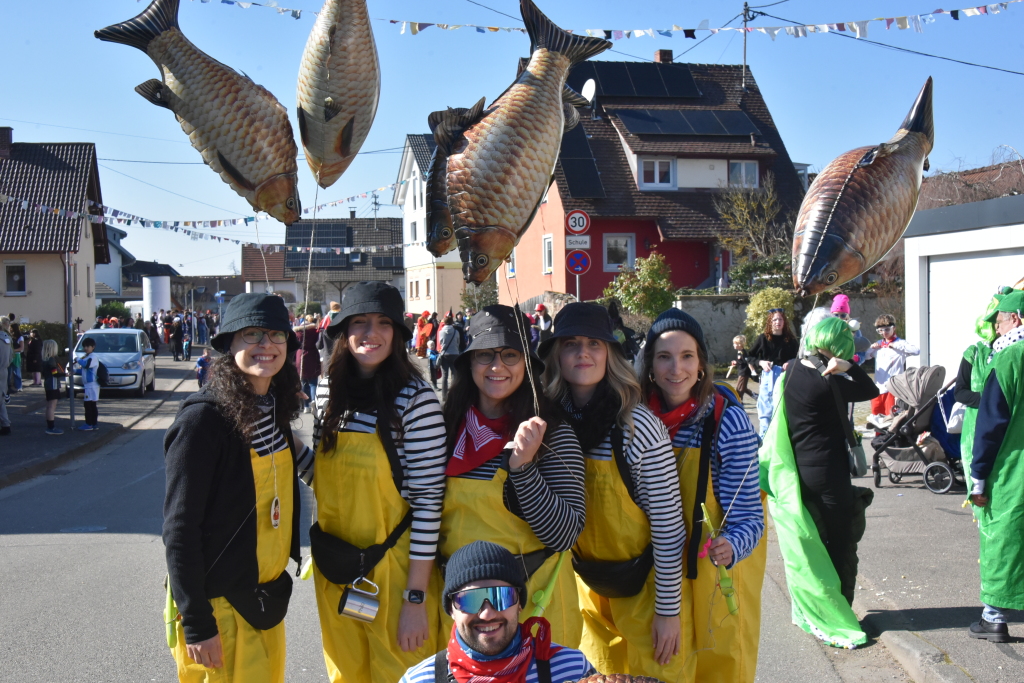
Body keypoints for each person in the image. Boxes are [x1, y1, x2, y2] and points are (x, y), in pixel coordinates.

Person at [163, 293, 309, 682]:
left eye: (276, 335)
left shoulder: (274, 410)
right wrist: (197, 623)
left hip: (263, 602)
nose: (266, 345)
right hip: (218, 611)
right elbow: (179, 531)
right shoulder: (203, 423)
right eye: (252, 334)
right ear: (229, 344)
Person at [539, 303, 686, 680]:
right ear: (557, 354)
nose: (583, 352)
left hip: (645, 593)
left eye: (594, 343)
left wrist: (669, 612)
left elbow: (669, 527)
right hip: (584, 590)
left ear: (611, 354)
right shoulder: (546, 423)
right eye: (571, 343)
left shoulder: (638, 426)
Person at [309, 281, 446, 683]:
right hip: (337, 569)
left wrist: (415, 600)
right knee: (345, 676)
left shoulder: (416, 401)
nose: (372, 333)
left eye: (384, 323)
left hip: (396, 574)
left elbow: (428, 504)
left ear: (398, 334)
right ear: (343, 331)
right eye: (360, 322)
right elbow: (319, 477)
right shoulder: (325, 391)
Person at [438, 305, 585, 647]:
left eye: (509, 355)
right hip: (462, 609)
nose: (497, 366)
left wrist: (523, 468)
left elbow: (565, 534)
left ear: (527, 365)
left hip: (536, 607)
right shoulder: (446, 431)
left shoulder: (553, 434)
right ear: (469, 363)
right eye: (484, 354)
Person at [643, 309, 766, 683]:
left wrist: (732, 544)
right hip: (659, 573)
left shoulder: (726, 421)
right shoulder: (637, 417)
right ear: (649, 363)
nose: (675, 369)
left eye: (686, 356)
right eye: (664, 357)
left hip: (716, 577)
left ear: (701, 364)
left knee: (720, 668)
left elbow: (749, 517)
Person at [759, 317, 877, 649]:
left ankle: (812, 609)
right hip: (829, 473)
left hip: (797, 473)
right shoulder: (831, 380)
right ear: (838, 347)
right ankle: (839, 612)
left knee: (809, 547)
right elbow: (871, 390)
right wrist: (849, 364)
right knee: (841, 544)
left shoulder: (791, 371)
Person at [400, 541, 595, 683]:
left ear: (519, 603)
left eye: (501, 597)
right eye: (470, 600)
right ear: (451, 608)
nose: (487, 614)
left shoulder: (572, 670)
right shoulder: (420, 680)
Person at [967, 289, 1024, 643]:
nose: (997, 329)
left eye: (999, 321)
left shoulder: (1006, 360)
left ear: (1014, 319)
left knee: (1000, 537)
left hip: (1011, 469)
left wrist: (978, 476)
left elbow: (989, 426)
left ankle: (995, 616)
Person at [955, 291, 1005, 481]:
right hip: (977, 429)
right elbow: (960, 392)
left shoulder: (1013, 351)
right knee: (979, 486)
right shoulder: (973, 353)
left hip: (1008, 429)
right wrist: (990, 401)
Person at [749, 308, 799, 436]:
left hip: (785, 376)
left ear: (785, 322)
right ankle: (765, 438)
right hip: (768, 377)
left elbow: (800, 358)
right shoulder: (763, 339)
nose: (778, 322)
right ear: (770, 322)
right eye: (775, 319)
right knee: (767, 410)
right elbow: (749, 357)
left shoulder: (791, 340)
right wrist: (761, 362)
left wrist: (791, 362)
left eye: (780, 319)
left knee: (784, 408)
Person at [864, 314, 919, 428]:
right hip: (878, 387)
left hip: (893, 388)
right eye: (880, 331)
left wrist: (896, 345)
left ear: (894, 328)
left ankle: (892, 441)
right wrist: (871, 348)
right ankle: (879, 441)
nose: (884, 333)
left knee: (892, 418)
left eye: (887, 330)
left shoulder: (900, 343)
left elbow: (916, 351)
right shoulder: (879, 344)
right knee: (876, 418)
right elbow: (866, 357)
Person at [294, 314, 321, 413]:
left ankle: (306, 406)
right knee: (313, 382)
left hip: (301, 356)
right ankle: (313, 400)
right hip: (312, 355)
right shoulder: (315, 332)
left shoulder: (298, 333)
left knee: (304, 382)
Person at [75, 338, 101, 431]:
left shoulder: (92, 357)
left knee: (88, 405)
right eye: (84, 346)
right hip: (91, 385)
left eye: (88, 346)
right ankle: (94, 424)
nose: (86, 348)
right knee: (92, 405)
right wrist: (74, 370)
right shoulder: (88, 356)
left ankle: (89, 424)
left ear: (93, 347)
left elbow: (85, 365)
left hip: (91, 385)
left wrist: (76, 358)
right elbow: (84, 369)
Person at [41, 340, 66, 435]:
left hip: (48, 383)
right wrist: (65, 374)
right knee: (52, 406)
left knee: (49, 405)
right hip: (53, 384)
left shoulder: (44, 359)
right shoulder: (51, 360)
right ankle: (51, 427)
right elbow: (55, 373)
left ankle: (49, 425)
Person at [437, 314, 460, 400]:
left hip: (445, 354)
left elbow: (440, 342)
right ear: (452, 322)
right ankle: (453, 395)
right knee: (454, 375)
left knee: (445, 376)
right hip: (454, 354)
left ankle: (444, 396)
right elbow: (458, 342)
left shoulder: (441, 332)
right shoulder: (456, 332)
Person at [731, 334, 756, 401]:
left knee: (739, 389)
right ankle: (755, 396)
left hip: (743, 373)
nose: (733, 345)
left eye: (734, 343)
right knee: (744, 388)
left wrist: (752, 370)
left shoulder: (742, 353)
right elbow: (741, 361)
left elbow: (747, 361)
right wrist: (736, 362)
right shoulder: (739, 352)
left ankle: (739, 402)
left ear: (739, 344)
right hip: (741, 372)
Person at [0, 317, 12, 436]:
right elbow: (11, 357)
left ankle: (5, 424)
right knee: (1, 399)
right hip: (4, 370)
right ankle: (5, 424)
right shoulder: (7, 339)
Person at [8, 322, 23, 393]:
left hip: (16, 355)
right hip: (10, 355)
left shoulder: (20, 337)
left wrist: (13, 350)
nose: (10, 329)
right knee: (8, 371)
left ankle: (19, 386)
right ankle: (8, 386)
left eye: (11, 328)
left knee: (16, 371)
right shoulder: (9, 336)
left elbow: (21, 348)